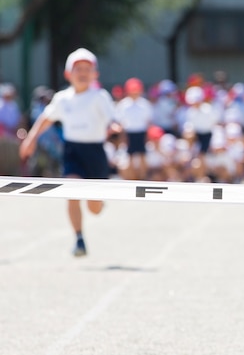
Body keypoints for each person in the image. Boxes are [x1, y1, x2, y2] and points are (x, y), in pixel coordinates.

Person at [19, 48, 116, 257]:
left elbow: (111, 120)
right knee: (72, 191)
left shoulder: (99, 96)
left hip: (95, 153)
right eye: (77, 68)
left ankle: (99, 203)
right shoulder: (62, 98)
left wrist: (114, 128)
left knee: (94, 208)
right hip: (72, 151)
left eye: (86, 69)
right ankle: (79, 239)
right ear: (68, 74)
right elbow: (46, 118)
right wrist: (31, 139)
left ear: (94, 74)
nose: (82, 73)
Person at [115, 77, 153, 180]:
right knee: (130, 158)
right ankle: (133, 180)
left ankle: (143, 179)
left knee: (142, 157)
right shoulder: (123, 104)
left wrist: (148, 136)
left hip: (141, 132)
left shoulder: (145, 104)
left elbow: (148, 121)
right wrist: (123, 137)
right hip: (129, 133)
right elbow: (121, 122)